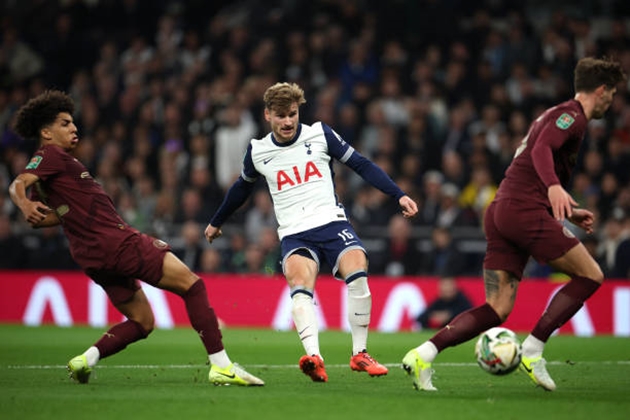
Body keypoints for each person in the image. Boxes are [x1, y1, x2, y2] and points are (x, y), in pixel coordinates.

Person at [8, 90, 264, 386]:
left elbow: (61, 215)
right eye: (65, 123)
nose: (74, 128)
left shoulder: (59, 169)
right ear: (46, 132)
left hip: (91, 256)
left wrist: (40, 211)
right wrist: (24, 204)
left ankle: (85, 360)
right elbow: (18, 183)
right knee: (193, 286)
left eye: (73, 122)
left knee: (143, 321)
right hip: (116, 243)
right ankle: (221, 366)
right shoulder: (50, 156)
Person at [402, 57, 626, 392]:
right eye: (613, 93)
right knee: (591, 275)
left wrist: (562, 205)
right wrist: (553, 188)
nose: (613, 102)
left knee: (498, 308)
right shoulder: (572, 116)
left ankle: (423, 354)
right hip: (524, 210)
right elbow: (541, 150)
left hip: (502, 210)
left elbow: (532, 159)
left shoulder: (554, 114)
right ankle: (533, 351)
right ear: (602, 90)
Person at [205, 82, 418, 382]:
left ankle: (360, 354)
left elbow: (361, 164)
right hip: (295, 233)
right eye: (281, 115)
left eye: (292, 114)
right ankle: (314, 357)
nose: (288, 121)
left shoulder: (320, 134)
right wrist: (216, 222)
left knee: (357, 266)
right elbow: (241, 189)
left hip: (332, 222)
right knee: (299, 281)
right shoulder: (258, 151)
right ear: (268, 115)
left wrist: (397, 194)